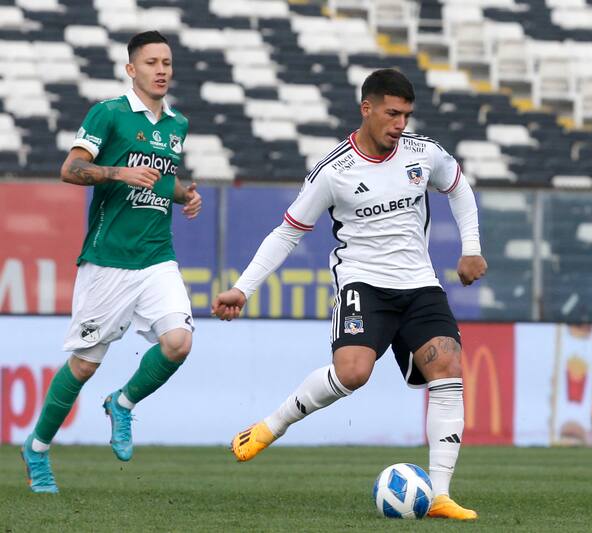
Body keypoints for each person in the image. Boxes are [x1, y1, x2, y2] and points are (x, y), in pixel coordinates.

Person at [212, 69, 486, 520]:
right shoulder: (333, 171)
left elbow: (458, 186)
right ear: (368, 108)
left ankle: (440, 495)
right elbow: (286, 233)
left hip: (419, 283)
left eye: (406, 115)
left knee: (448, 365)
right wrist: (243, 288)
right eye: (392, 113)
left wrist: (471, 248)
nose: (399, 124)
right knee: (354, 373)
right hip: (363, 283)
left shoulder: (423, 153)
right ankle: (272, 425)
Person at [21, 30, 201, 494]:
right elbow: (71, 169)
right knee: (83, 365)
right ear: (131, 69)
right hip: (108, 260)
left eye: (166, 62)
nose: (161, 70)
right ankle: (37, 449)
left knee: (179, 341)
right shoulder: (110, 113)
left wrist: (184, 195)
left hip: (157, 256)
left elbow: (160, 182)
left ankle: (122, 403)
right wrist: (118, 171)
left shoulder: (176, 124)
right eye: (151, 62)